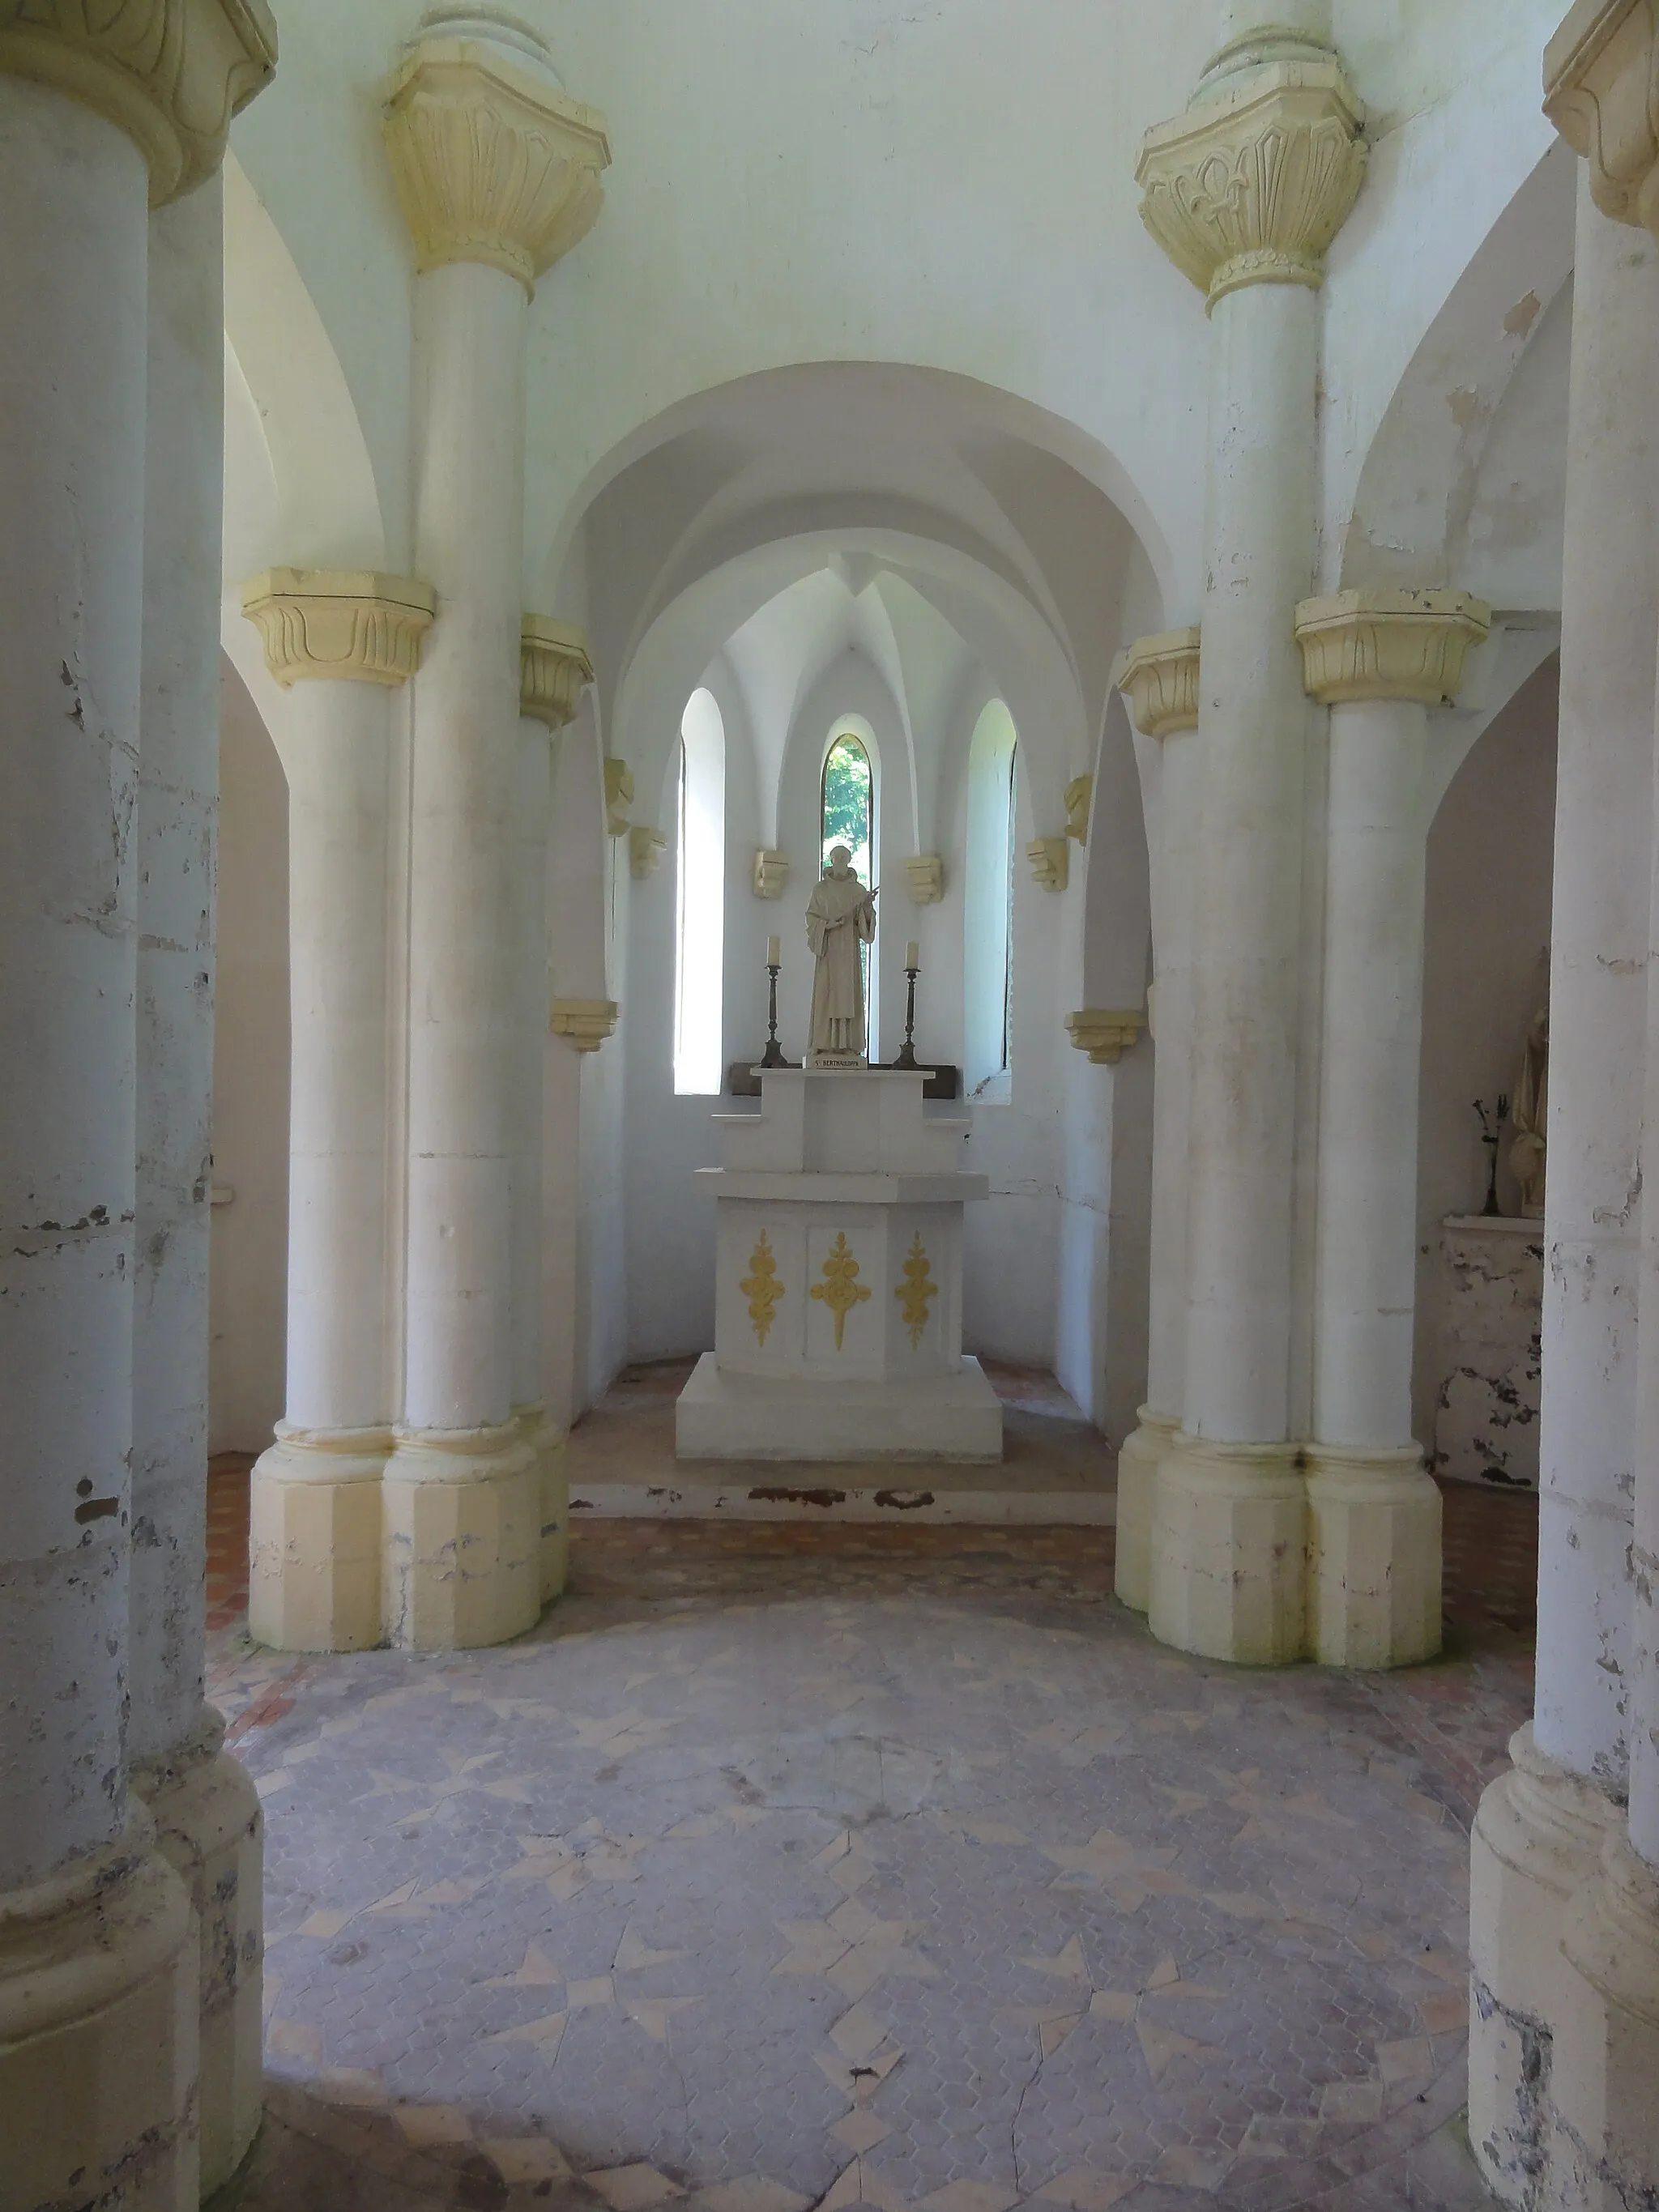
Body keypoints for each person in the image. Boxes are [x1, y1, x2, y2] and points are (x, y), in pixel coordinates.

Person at [805, 845, 876, 1063]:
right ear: (831, 859)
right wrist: (826, 925)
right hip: (829, 950)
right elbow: (811, 918)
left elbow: (865, 927)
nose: (840, 860)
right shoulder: (820, 890)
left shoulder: (858, 891)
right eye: (837, 857)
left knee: (847, 996)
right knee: (827, 994)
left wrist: (866, 907)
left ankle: (849, 1046)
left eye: (844, 857)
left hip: (848, 951)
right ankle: (823, 1043)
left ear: (849, 859)